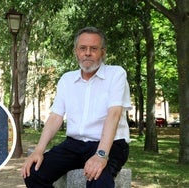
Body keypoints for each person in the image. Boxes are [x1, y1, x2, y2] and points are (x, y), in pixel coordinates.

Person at [21, 26, 131, 188]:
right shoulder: (67, 79)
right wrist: (38, 150)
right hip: (74, 145)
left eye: (93, 48)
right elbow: (55, 117)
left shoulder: (116, 74)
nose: (88, 53)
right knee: (33, 174)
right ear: (76, 52)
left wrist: (101, 155)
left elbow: (114, 115)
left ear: (103, 52)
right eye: (83, 48)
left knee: (99, 184)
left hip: (111, 144)